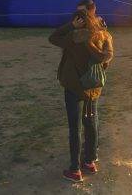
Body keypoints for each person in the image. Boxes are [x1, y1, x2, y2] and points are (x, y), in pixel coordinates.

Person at [49, 10, 112, 182]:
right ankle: (90, 161)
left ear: (78, 20)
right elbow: (106, 59)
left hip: (74, 88)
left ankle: (75, 169)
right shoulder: (102, 36)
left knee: (74, 128)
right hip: (92, 88)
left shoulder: (75, 37)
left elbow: (53, 37)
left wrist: (71, 26)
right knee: (91, 123)